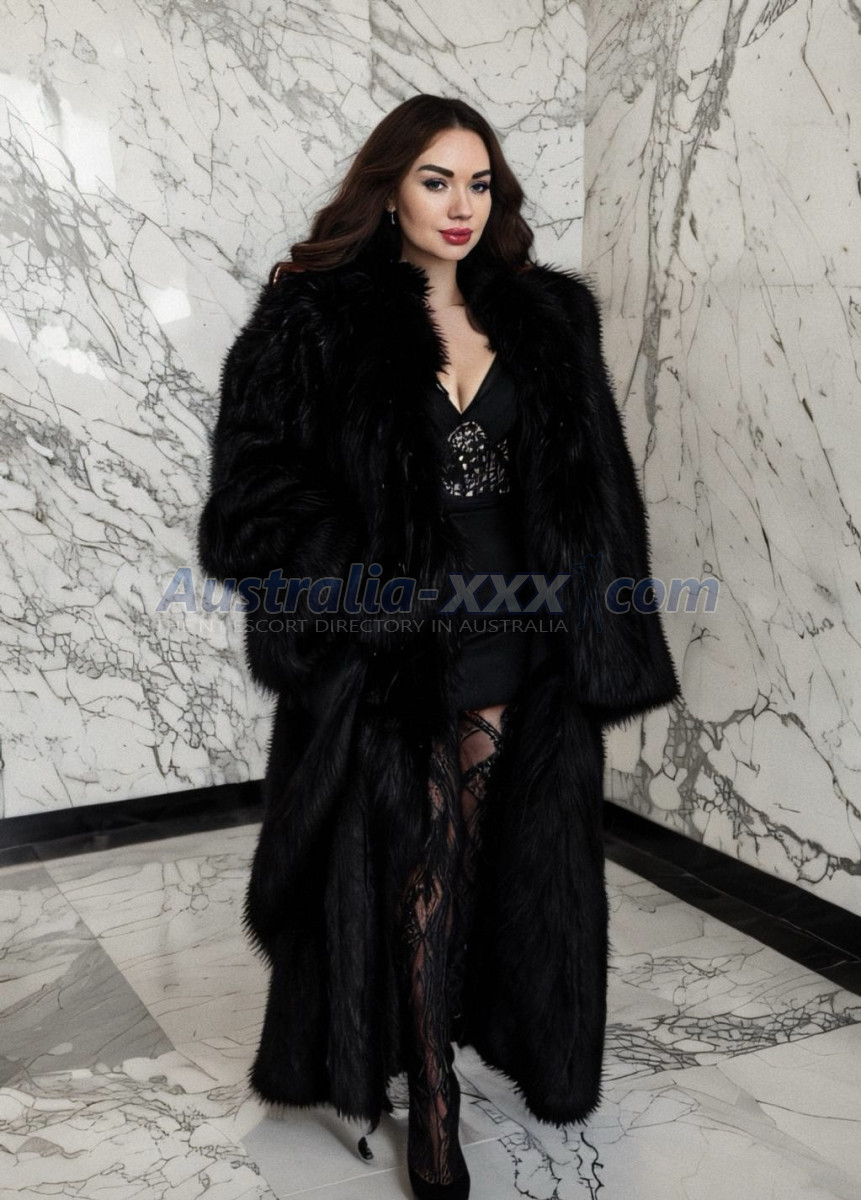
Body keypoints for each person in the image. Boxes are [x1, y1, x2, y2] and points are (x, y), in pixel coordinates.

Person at [197, 94, 680, 1200]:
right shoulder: (313, 319)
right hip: (395, 645)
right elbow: (250, 504)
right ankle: (434, 1097)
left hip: (522, 634)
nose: (461, 205)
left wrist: (602, 626)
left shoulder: (549, 315)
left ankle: (454, 1030)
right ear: (389, 189)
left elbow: (598, 492)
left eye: (478, 183)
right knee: (422, 859)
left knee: (483, 856)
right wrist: (357, 589)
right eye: (434, 180)